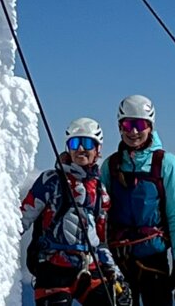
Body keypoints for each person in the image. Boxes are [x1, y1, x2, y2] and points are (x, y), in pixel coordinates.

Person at [21, 117, 132, 306]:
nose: (81, 149)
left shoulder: (100, 192)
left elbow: (101, 243)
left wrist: (118, 277)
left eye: (87, 143)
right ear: (68, 148)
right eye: (75, 143)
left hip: (87, 267)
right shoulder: (51, 182)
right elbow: (21, 219)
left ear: (98, 150)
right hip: (52, 268)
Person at [101, 95, 175, 305]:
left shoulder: (166, 164)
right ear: (119, 127)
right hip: (118, 261)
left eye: (140, 124)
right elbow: (100, 214)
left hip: (154, 261)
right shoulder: (111, 166)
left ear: (150, 126)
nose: (133, 131)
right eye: (127, 124)